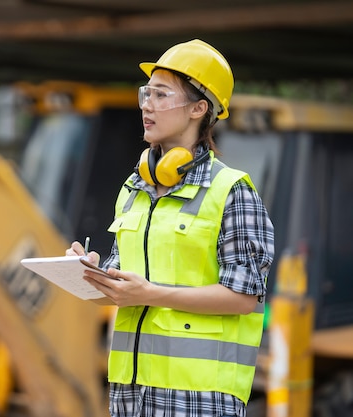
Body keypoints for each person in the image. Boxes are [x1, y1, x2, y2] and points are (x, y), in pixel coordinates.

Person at [66, 39, 275, 417]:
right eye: (146, 93)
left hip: (199, 396)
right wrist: (91, 274)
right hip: (130, 392)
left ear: (199, 108)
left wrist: (151, 293)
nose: (147, 104)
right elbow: (123, 291)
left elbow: (245, 296)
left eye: (161, 95)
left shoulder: (231, 191)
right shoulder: (134, 188)